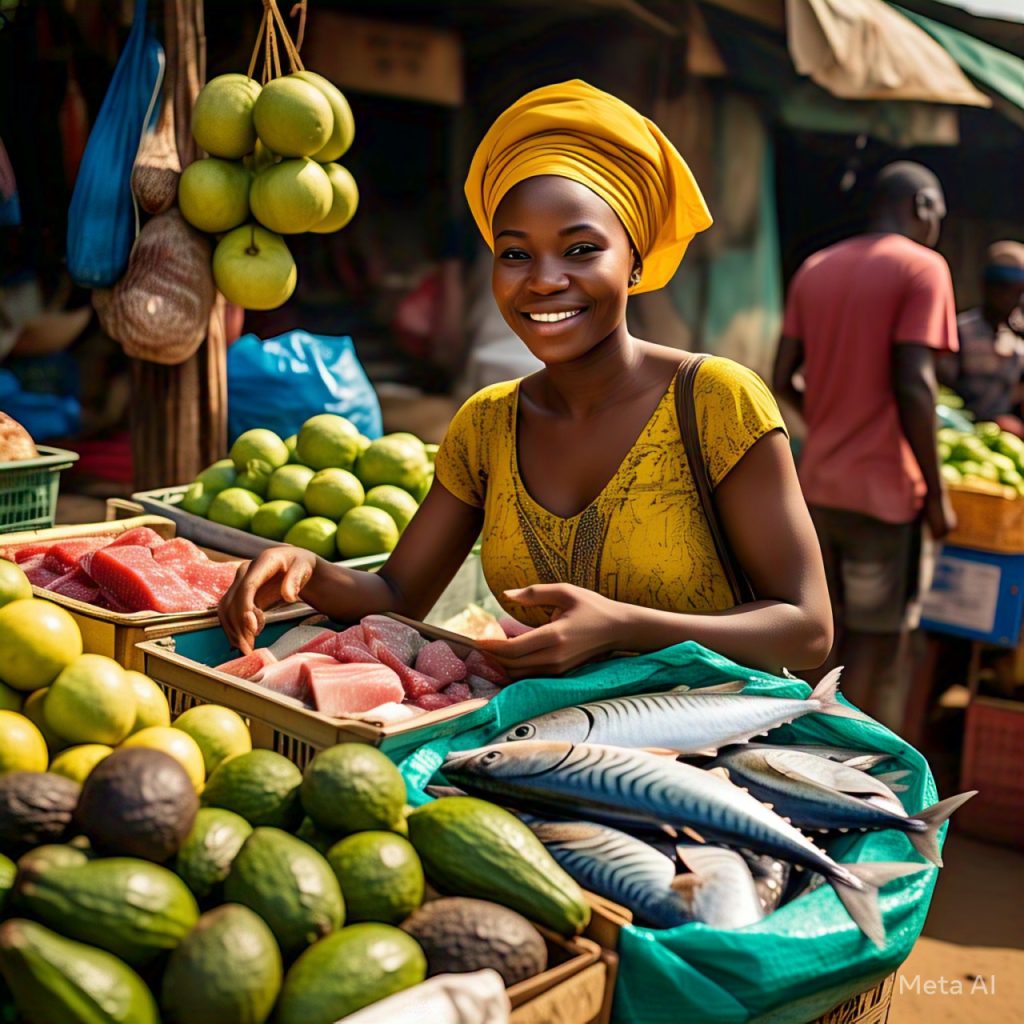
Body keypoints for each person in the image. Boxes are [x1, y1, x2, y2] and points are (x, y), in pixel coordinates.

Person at [221, 80, 832, 678]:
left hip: (715, 747)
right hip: (536, 745)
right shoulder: (486, 424)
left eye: (580, 249)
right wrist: (308, 567)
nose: (543, 280)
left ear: (636, 260)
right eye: (515, 254)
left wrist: (627, 625)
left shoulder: (715, 400)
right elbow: (399, 592)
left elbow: (807, 629)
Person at [772, 161, 957, 725]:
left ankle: (794, 751)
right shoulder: (924, 269)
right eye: (939, 217)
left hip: (819, 491)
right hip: (886, 496)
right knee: (878, 645)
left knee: (818, 640)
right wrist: (936, 493)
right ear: (922, 206)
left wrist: (828, 419)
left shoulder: (816, 267)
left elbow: (781, 378)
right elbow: (914, 384)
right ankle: (866, 771)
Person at [938, 241, 1024, 435]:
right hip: (962, 435)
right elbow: (946, 395)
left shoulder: (1017, 338)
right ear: (989, 288)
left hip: (1005, 440)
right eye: (1009, 290)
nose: (1016, 300)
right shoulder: (961, 332)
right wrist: (988, 422)